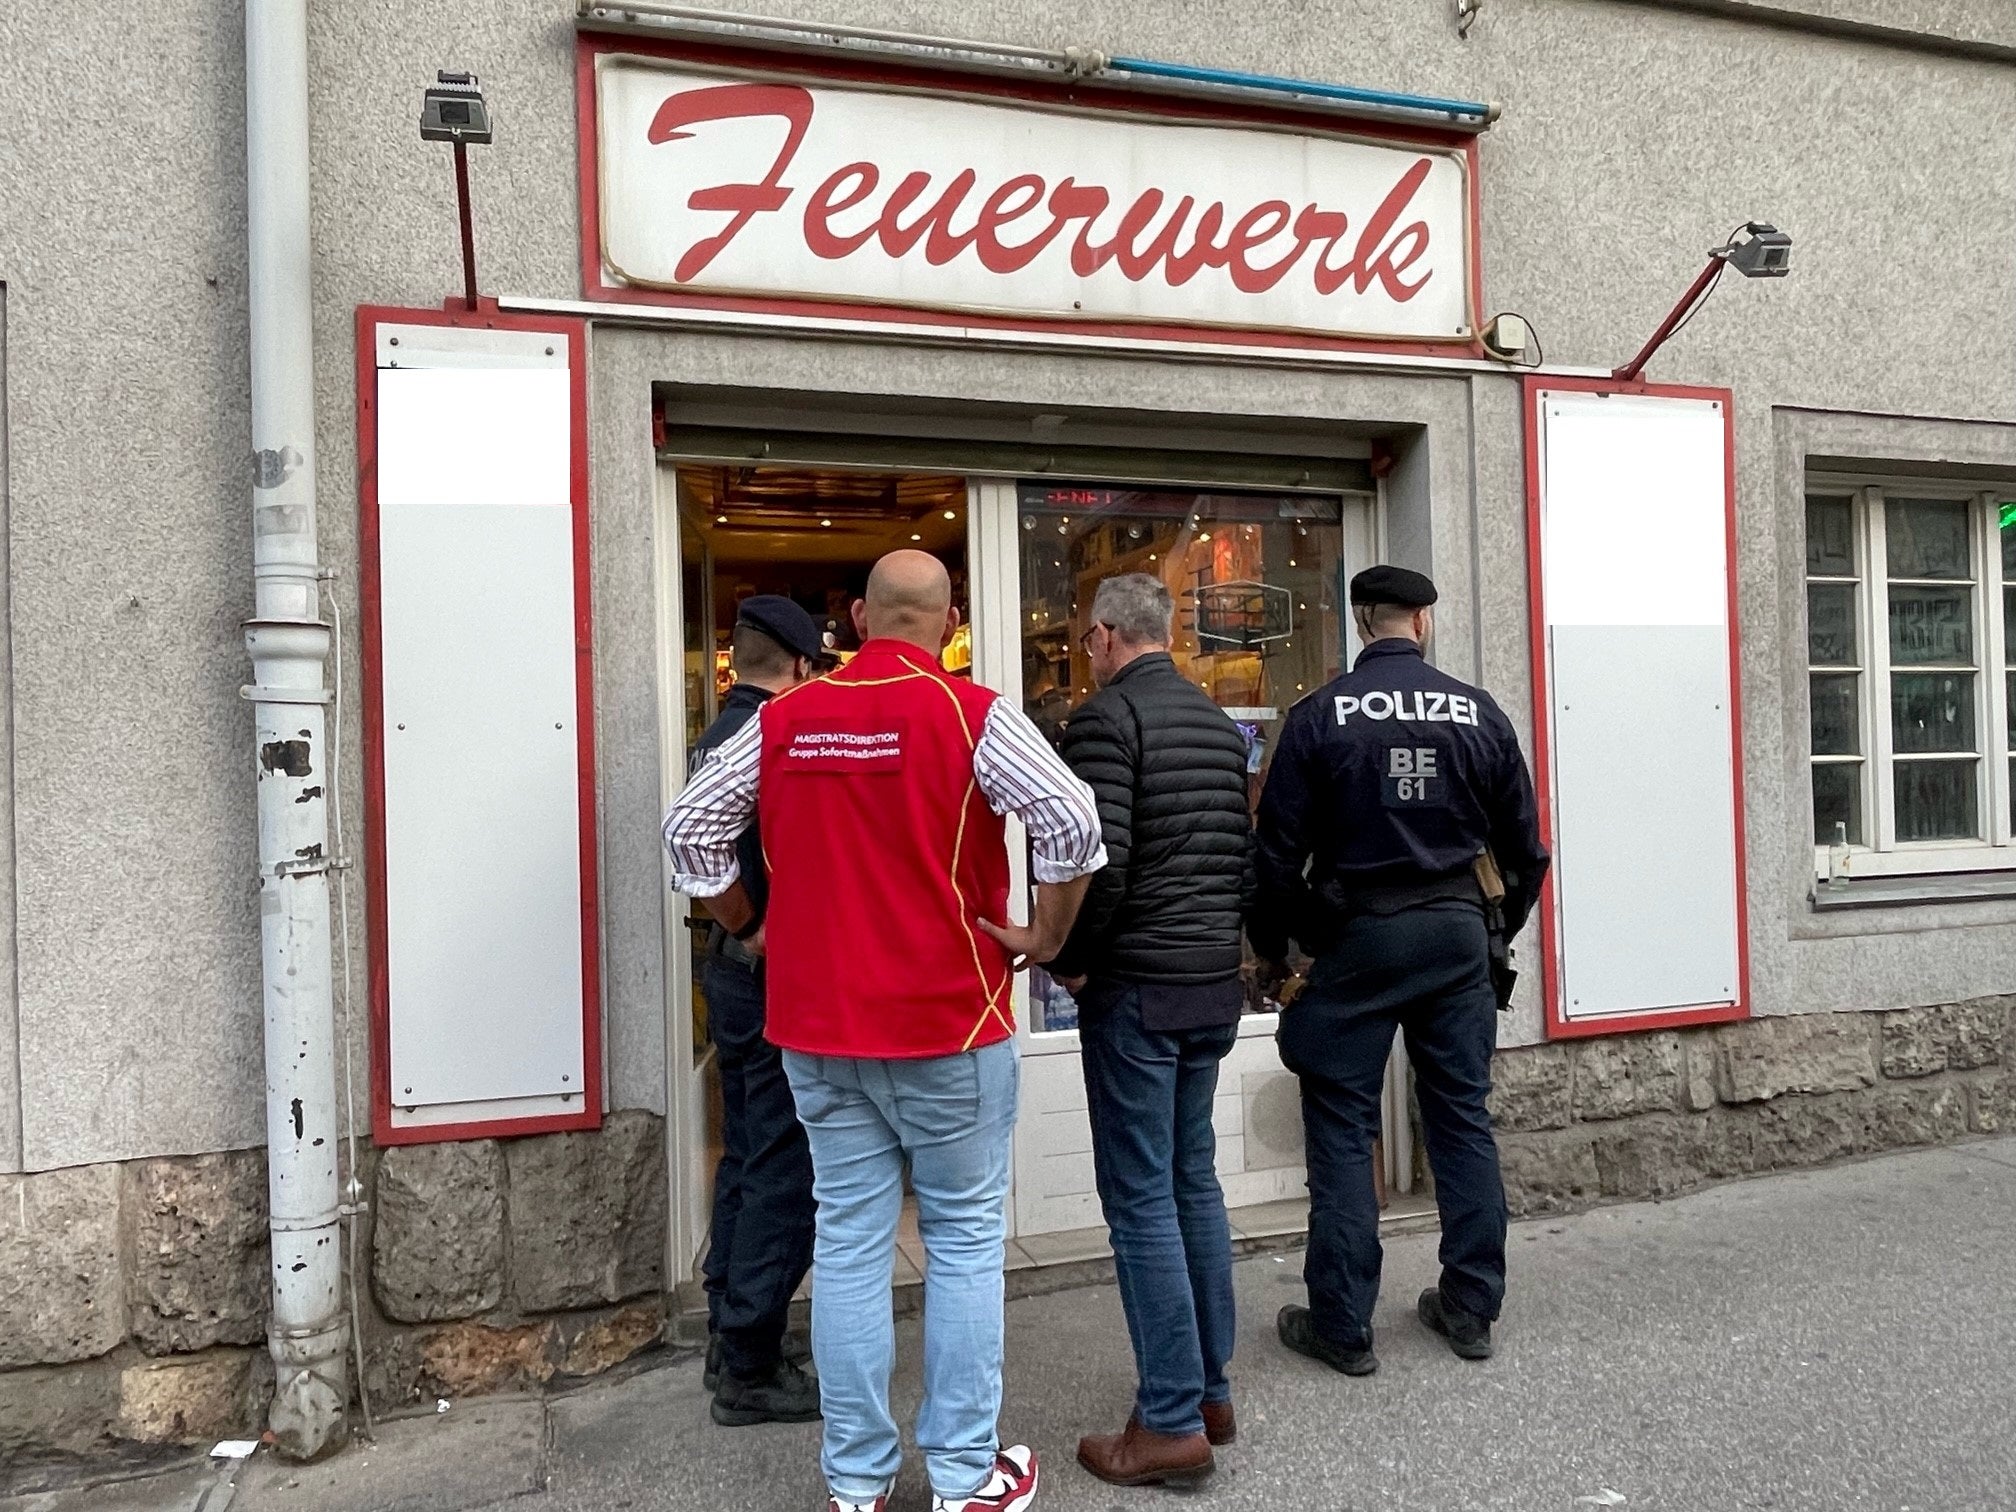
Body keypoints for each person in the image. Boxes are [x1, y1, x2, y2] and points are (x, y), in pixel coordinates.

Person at [663, 550, 1105, 1512]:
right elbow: (1073, 821)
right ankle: (963, 1473)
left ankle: (857, 1480)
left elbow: (690, 832)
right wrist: (1046, 935)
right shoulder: (972, 711)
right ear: (948, 623)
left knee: (850, 1243)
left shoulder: (783, 719)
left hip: (819, 1028)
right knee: (963, 1242)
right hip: (952, 1021)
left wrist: (750, 924)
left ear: (859, 619)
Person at [1251, 565, 1548, 1375]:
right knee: (1460, 1117)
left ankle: (1343, 1325)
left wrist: (1291, 943)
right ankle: (1471, 1307)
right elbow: (1526, 850)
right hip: (1455, 933)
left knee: (1344, 1124)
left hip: (1358, 932)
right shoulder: (1478, 712)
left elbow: (1274, 857)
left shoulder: (1320, 716)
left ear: (1361, 623)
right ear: (1422, 622)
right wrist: (1493, 930)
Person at [1043, 574, 1252, 1489]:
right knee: (1190, 1178)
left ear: (1102, 637)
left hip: (1138, 987)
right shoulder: (1217, 724)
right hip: (1209, 983)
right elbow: (1240, 860)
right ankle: (1209, 1393)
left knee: (1140, 1198)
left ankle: (1168, 1420)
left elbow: (1103, 862)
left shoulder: (1105, 720)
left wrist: (1072, 958)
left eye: (1086, 641)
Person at [689, 595, 826, 1428]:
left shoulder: (719, 731)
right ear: (801, 665)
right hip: (764, 972)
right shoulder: (769, 733)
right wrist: (753, 926)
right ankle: (750, 1360)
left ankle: (731, 1325)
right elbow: (693, 843)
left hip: (733, 974)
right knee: (783, 1166)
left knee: (745, 1153)